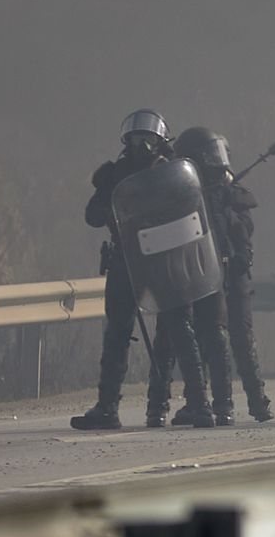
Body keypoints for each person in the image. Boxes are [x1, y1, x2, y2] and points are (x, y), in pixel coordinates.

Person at [72, 110, 215, 429]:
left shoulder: (174, 172)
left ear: (161, 141)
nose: (142, 146)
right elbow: (92, 214)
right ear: (126, 141)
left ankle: (198, 404)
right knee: (117, 332)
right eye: (136, 140)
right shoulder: (115, 173)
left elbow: (191, 208)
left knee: (180, 328)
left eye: (148, 140)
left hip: (165, 260)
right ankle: (107, 407)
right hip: (127, 259)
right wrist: (112, 208)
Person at [166, 127, 237, 426]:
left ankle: (201, 403)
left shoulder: (204, 192)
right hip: (209, 270)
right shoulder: (212, 192)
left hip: (191, 270)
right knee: (214, 334)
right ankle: (221, 405)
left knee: (192, 333)